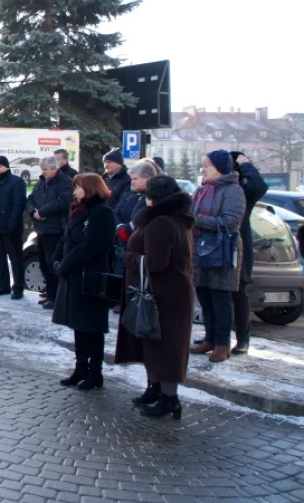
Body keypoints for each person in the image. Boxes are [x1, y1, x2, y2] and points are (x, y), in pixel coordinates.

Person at [115, 176, 195, 419]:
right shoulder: (172, 219)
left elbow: (155, 263)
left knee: (167, 347)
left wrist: (126, 257)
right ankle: (156, 390)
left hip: (165, 295)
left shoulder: (162, 222)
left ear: (153, 197)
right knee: (154, 344)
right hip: (163, 292)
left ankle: (169, 400)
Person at [52, 173, 116, 390]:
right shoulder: (78, 210)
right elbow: (66, 238)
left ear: (90, 189)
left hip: (91, 277)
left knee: (92, 327)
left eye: (78, 187)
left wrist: (66, 263)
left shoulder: (102, 213)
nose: (75, 191)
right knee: (79, 325)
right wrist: (56, 259)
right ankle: (81, 367)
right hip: (74, 276)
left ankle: (95, 372)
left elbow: (90, 246)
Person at [190, 150, 246, 363]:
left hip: (222, 250)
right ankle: (210, 338)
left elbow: (231, 221)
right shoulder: (203, 189)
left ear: (220, 168)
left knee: (220, 298)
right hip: (200, 249)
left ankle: (222, 343)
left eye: (207, 165)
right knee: (204, 295)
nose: (203, 169)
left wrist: (196, 220)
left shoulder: (232, 190)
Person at [111, 159, 162, 313]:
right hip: (123, 240)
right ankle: (121, 301)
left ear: (147, 178)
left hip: (139, 243)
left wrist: (129, 228)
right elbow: (116, 212)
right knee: (121, 271)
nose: (132, 182)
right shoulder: (129, 195)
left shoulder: (153, 198)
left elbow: (142, 218)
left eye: (135, 179)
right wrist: (120, 227)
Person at [230, 152, 268, 355]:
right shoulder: (216, 188)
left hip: (239, 247)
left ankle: (242, 339)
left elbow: (259, 186)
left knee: (239, 292)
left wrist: (245, 164)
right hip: (214, 248)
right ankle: (215, 337)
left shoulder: (244, 191)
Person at [25, 157, 72, 309]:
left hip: (55, 229)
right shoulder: (40, 182)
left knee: (53, 263)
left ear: (54, 168)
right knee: (44, 264)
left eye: (45, 169)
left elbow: (63, 201)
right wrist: (34, 212)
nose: (43, 172)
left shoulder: (64, 182)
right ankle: (50, 292)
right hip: (41, 228)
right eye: (42, 169)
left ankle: (55, 296)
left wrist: (43, 211)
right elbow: (30, 199)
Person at [0, 156, 28, 299]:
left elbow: (18, 205)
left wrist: (11, 224)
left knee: (15, 259)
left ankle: (18, 288)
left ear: (7, 167)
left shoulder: (16, 182)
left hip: (11, 229)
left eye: (0, 166)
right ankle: (3, 286)